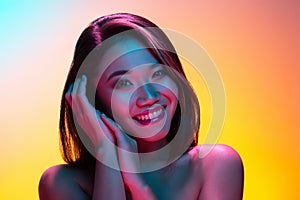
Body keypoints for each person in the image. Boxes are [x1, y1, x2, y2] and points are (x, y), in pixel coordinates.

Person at [39, 13, 244, 200]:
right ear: (93, 100)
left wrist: (135, 183)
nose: (148, 96)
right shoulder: (61, 183)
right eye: (124, 83)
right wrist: (107, 152)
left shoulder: (216, 165)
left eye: (157, 73)